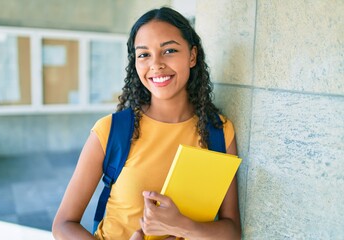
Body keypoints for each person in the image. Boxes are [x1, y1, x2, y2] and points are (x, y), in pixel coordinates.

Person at [52, 7, 241, 240]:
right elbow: (62, 224)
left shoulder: (219, 132)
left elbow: (232, 230)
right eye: (144, 54)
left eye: (169, 50)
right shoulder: (111, 130)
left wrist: (181, 226)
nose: (156, 64)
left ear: (192, 56)